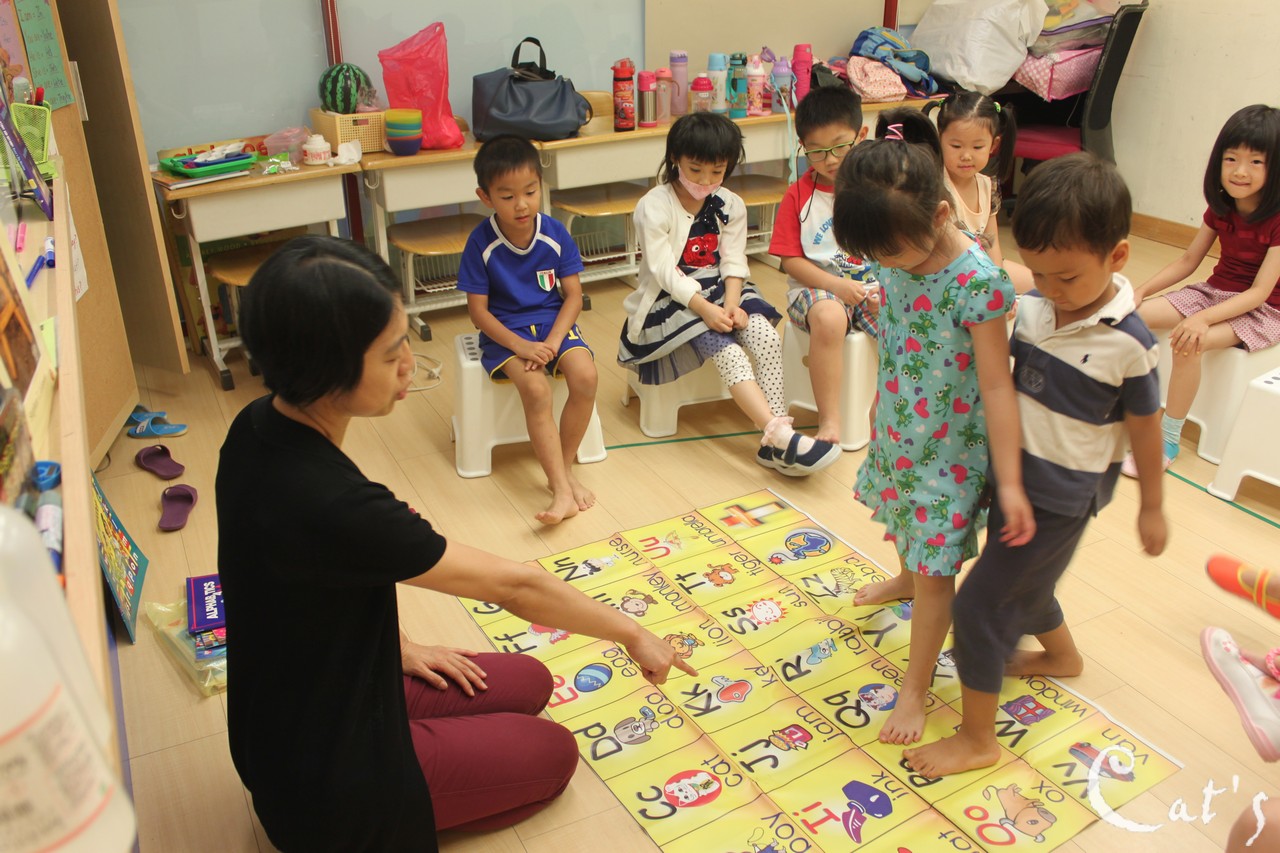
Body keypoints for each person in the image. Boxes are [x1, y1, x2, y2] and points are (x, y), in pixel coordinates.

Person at [219, 235, 694, 852]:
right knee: (554, 753)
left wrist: (399, 646)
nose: (409, 366)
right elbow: (515, 586)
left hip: (289, 716)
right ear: (329, 370)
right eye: (391, 354)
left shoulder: (256, 425)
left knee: (529, 682)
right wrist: (632, 633)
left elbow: (304, 578)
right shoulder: (338, 505)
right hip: (331, 783)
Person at [902, 153, 1168, 778]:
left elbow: (1147, 430)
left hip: (1059, 499)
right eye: (1039, 273)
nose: (1050, 288)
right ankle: (1062, 658)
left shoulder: (1130, 344)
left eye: (1066, 276)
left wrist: (1153, 507)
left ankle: (978, 740)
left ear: (1117, 257)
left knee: (979, 608)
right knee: (1026, 583)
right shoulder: (1036, 306)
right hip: (1014, 480)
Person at [831, 107, 1033, 745]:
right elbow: (895, 331)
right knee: (903, 520)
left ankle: (916, 688)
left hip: (951, 448)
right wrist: (878, 399)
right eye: (873, 254)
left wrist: (1009, 478)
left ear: (941, 215)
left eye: (888, 252)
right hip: (901, 421)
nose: (883, 262)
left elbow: (997, 386)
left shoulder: (978, 284)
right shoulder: (895, 252)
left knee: (937, 568)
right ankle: (905, 576)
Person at [618, 111, 841, 475]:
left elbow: (735, 260)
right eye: (695, 170)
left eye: (717, 171)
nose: (705, 181)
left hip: (723, 290)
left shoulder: (731, 204)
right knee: (730, 353)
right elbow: (663, 271)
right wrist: (706, 309)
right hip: (673, 298)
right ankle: (778, 436)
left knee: (767, 338)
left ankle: (775, 443)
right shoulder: (654, 205)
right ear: (674, 158)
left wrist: (733, 305)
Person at [1124, 104, 1280, 475]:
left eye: (1256, 162)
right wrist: (1140, 291)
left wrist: (1201, 320)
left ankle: (1168, 438)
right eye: (1231, 159)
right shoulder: (1221, 207)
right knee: (1128, 317)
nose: (1240, 171)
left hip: (1264, 310)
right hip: (1215, 291)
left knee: (1189, 341)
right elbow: (1188, 260)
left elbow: (1260, 292)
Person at [457, 134, 597, 524]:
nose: (521, 204)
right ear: (485, 197)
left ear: (540, 186)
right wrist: (521, 346)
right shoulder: (480, 243)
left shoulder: (554, 232)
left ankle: (561, 474)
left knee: (586, 376)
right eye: (507, 196)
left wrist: (552, 341)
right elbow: (478, 313)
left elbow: (573, 297)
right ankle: (562, 488)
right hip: (506, 333)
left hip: (553, 326)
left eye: (530, 192)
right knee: (536, 391)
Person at [768, 85, 880, 445]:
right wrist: (836, 286)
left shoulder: (877, 187)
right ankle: (830, 420)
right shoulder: (799, 195)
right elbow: (790, 261)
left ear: (861, 135)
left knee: (905, 325)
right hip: (815, 292)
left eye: (839, 146)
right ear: (802, 146)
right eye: (816, 151)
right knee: (831, 317)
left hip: (869, 290)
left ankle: (884, 414)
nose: (829, 159)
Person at [925, 91, 1033, 294]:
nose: (966, 155)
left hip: (981, 266)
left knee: (1040, 284)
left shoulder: (988, 185)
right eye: (956, 146)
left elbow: (992, 243)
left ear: (994, 145)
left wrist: (997, 283)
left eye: (977, 147)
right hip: (946, 274)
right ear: (939, 138)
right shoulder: (934, 184)